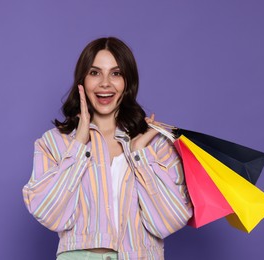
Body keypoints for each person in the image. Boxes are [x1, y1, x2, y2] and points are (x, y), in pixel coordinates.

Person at [22, 37, 192, 260]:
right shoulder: (53, 143)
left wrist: (139, 154)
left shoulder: (156, 144)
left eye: (116, 73)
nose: (105, 83)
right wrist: (79, 145)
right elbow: (49, 214)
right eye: (95, 73)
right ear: (82, 80)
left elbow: (168, 222)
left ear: (127, 82)